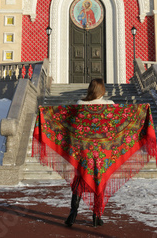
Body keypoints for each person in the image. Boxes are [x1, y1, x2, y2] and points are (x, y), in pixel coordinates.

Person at [65, 78, 114, 228]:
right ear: (102, 90)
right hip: (102, 150)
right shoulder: (110, 106)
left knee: (80, 179)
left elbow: (71, 124)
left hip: (84, 150)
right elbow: (116, 124)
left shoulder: (80, 105)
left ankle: (73, 214)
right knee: (100, 181)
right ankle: (96, 216)